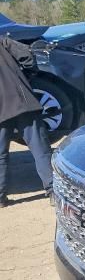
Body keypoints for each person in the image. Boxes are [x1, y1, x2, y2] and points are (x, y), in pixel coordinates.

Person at [0, 35, 52, 207]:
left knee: (0, 155)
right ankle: (53, 190)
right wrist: (27, 76)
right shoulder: (3, 41)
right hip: (22, 101)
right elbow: (27, 56)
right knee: (40, 148)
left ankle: (0, 198)